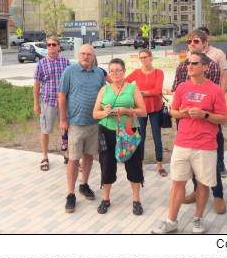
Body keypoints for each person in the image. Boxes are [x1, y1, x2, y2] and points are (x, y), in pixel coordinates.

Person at [151, 52, 227, 234]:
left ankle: (198, 219)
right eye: (188, 63)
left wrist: (204, 115)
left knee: (202, 184)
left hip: (205, 145)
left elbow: (223, 118)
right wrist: (183, 113)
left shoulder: (215, 90)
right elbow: (173, 111)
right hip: (182, 143)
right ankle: (171, 221)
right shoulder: (182, 88)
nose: (189, 66)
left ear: (205, 67)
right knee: (178, 183)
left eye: (194, 63)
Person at [172, 30, 226, 214]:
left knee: (211, 161)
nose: (192, 43)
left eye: (195, 40)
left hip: (207, 123)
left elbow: (216, 91)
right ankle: (196, 191)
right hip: (186, 125)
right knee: (190, 161)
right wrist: (180, 112)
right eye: (189, 41)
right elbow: (177, 92)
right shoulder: (182, 66)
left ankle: (218, 195)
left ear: (205, 42)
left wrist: (204, 113)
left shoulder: (214, 63)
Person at [93, 58, 147, 215]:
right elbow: (95, 113)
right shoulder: (104, 90)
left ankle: (136, 200)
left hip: (129, 131)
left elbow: (143, 111)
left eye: (118, 70)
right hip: (107, 130)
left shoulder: (132, 88)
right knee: (107, 164)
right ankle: (105, 198)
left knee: (134, 164)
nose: (115, 73)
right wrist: (106, 112)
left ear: (124, 72)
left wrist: (127, 111)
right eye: (112, 71)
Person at [58, 44, 106, 213]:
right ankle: (71, 193)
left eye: (89, 54)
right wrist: (63, 119)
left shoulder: (99, 73)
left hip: (94, 124)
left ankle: (84, 184)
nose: (85, 56)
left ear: (93, 57)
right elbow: (62, 95)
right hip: (75, 124)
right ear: (79, 55)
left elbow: (103, 95)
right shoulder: (69, 72)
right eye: (83, 54)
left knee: (89, 156)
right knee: (73, 159)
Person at [125, 49, 167, 176]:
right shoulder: (137, 73)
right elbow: (125, 82)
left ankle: (159, 164)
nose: (143, 60)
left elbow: (157, 91)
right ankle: (140, 163)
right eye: (141, 58)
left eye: (145, 57)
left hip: (155, 108)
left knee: (157, 137)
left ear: (150, 57)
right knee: (140, 137)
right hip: (140, 108)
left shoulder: (158, 72)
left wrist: (140, 93)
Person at [33, 36, 70, 171]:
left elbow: (70, 82)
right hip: (47, 102)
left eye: (54, 44)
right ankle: (44, 157)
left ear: (59, 46)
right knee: (45, 130)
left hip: (64, 103)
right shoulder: (41, 64)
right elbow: (37, 84)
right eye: (48, 45)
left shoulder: (66, 62)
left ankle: (67, 155)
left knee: (66, 129)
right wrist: (35, 103)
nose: (51, 47)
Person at [197, 27, 227, 178]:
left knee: (217, 133)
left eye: (197, 39)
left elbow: (224, 75)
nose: (193, 42)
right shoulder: (192, 54)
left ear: (206, 39)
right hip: (197, 100)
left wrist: (221, 95)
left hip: (213, 98)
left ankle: (220, 163)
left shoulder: (217, 53)